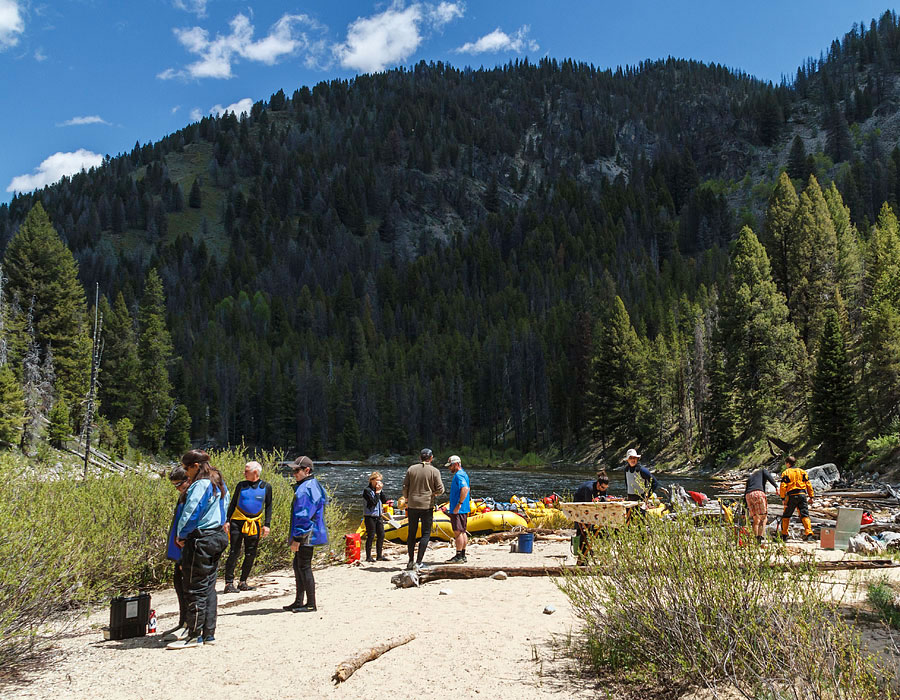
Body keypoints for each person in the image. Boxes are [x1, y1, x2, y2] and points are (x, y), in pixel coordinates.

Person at [167, 450, 229, 650]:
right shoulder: (218, 482)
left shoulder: (200, 484)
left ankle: (193, 635)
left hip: (201, 539)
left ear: (195, 466)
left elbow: (191, 512)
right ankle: (208, 633)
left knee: (194, 587)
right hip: (217, 536)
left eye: (186, 469)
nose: (186, 473)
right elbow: (224, 509)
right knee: (209, 586)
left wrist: (181, 535)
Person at [283, 456, 328, 613]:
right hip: (310, 532)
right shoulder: (311, 485)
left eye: (296, 470)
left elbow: (304, 516)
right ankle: (299, 601)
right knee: (298, 566)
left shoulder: (306, 489)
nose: (293, 473)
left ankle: (310, 604)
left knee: (304, 567)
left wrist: (297, 539)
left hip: (307, 534)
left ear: (307, 470)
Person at [223, 460, 273, 593]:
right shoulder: (241, 485)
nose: (244, 473)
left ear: (255, 472)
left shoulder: (266, 487)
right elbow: (233, 503)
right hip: (237, 522)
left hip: (254, 523)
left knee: (251, 553)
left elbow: (268, 507)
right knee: (234, 552)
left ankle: (243, 582)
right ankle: (228, 583)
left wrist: (267, 525)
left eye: (246, 471)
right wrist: (227, 520)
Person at [401, 448, 444, 571]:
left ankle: (410, 561)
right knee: (425, 533)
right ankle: (419, 562)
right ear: (431, 458)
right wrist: (433, 494)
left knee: (412, 533)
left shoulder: (411, 469)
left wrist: (407, 498)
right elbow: (441, 489)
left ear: (420, 458)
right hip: (427, 506)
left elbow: (405, 487)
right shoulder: (434, 471)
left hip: (413, 505)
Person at [162, 466, 190, 642]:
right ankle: (182, 622)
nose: (178, 488)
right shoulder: (183, 496)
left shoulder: (192, 496)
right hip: (178, 550)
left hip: (185, 550)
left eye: (179, 484)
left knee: (187, 588)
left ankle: (188, 625)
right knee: (178, 585)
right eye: (175, 486)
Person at [572, 471, 610, 563]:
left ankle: (588, 552)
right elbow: (588, 504)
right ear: (598, 484)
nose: (603, 489)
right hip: (579, 507)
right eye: (602, 488)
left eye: (605, 488)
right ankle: (582, 557)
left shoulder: (602, 488)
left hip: (590, 508)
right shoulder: (589, 489)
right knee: (582, 530)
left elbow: (603, 498)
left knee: (595, 529)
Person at [778, 455, 815, 541]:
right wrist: (811, 496)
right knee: (805, 514)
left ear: (787, 463)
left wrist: (783, 498)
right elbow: (808, 484)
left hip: (791, 496)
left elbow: (783, 486)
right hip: (802, 495)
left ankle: (784, 535)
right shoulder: (802, 472)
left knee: (786, 515)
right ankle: (809, 534)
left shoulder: (786, 473)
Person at [444, 455, 470, 564]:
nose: (449, 468)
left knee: (457, 532)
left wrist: (458, 504)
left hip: (458, 509)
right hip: (463, 509)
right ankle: (463, 555)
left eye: (450, 466)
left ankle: (458, 555)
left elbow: (465, 488)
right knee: (462, 531)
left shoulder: (459, 475)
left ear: (456, 464)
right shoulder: (464, 474)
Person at [744, 467, 779, 542]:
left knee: (756, 519)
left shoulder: (750, 478)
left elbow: (745, 491)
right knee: (763, 518)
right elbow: (768, 476)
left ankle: (754, 539)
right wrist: (776, 486)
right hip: (758, 493)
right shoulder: (762, 471)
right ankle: (760, 538)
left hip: (748, 495)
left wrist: (744, 509)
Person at [362, 471, 389, 562]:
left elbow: (384, 501)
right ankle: (368, 556)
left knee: (381, 535)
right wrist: (377, 492)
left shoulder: (378, 490)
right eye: (377, 480)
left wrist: (380, 491)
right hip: (370, 516)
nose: (378, 483)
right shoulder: (367, 491)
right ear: (372, 480)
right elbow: (373, 502)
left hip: (378, 515)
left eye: (380, 481)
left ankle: (379, 555)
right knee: (371, 536)